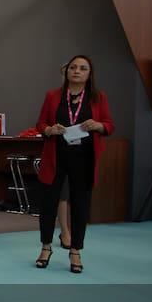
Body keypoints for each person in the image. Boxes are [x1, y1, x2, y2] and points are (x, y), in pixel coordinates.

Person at [34, 55, 114, 273]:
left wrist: (97, 125)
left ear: (90, 74)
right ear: (67, 71)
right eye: (73, 67)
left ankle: (76, 250)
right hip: (56, 156)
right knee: (48, 203)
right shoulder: (52, 96)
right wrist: (49, 130)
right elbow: (40, 123)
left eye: (83, 68)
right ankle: (46, 247)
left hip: (84, 157)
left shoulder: (98, 97)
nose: (77, 71)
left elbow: (109, 125)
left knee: (80, 205)